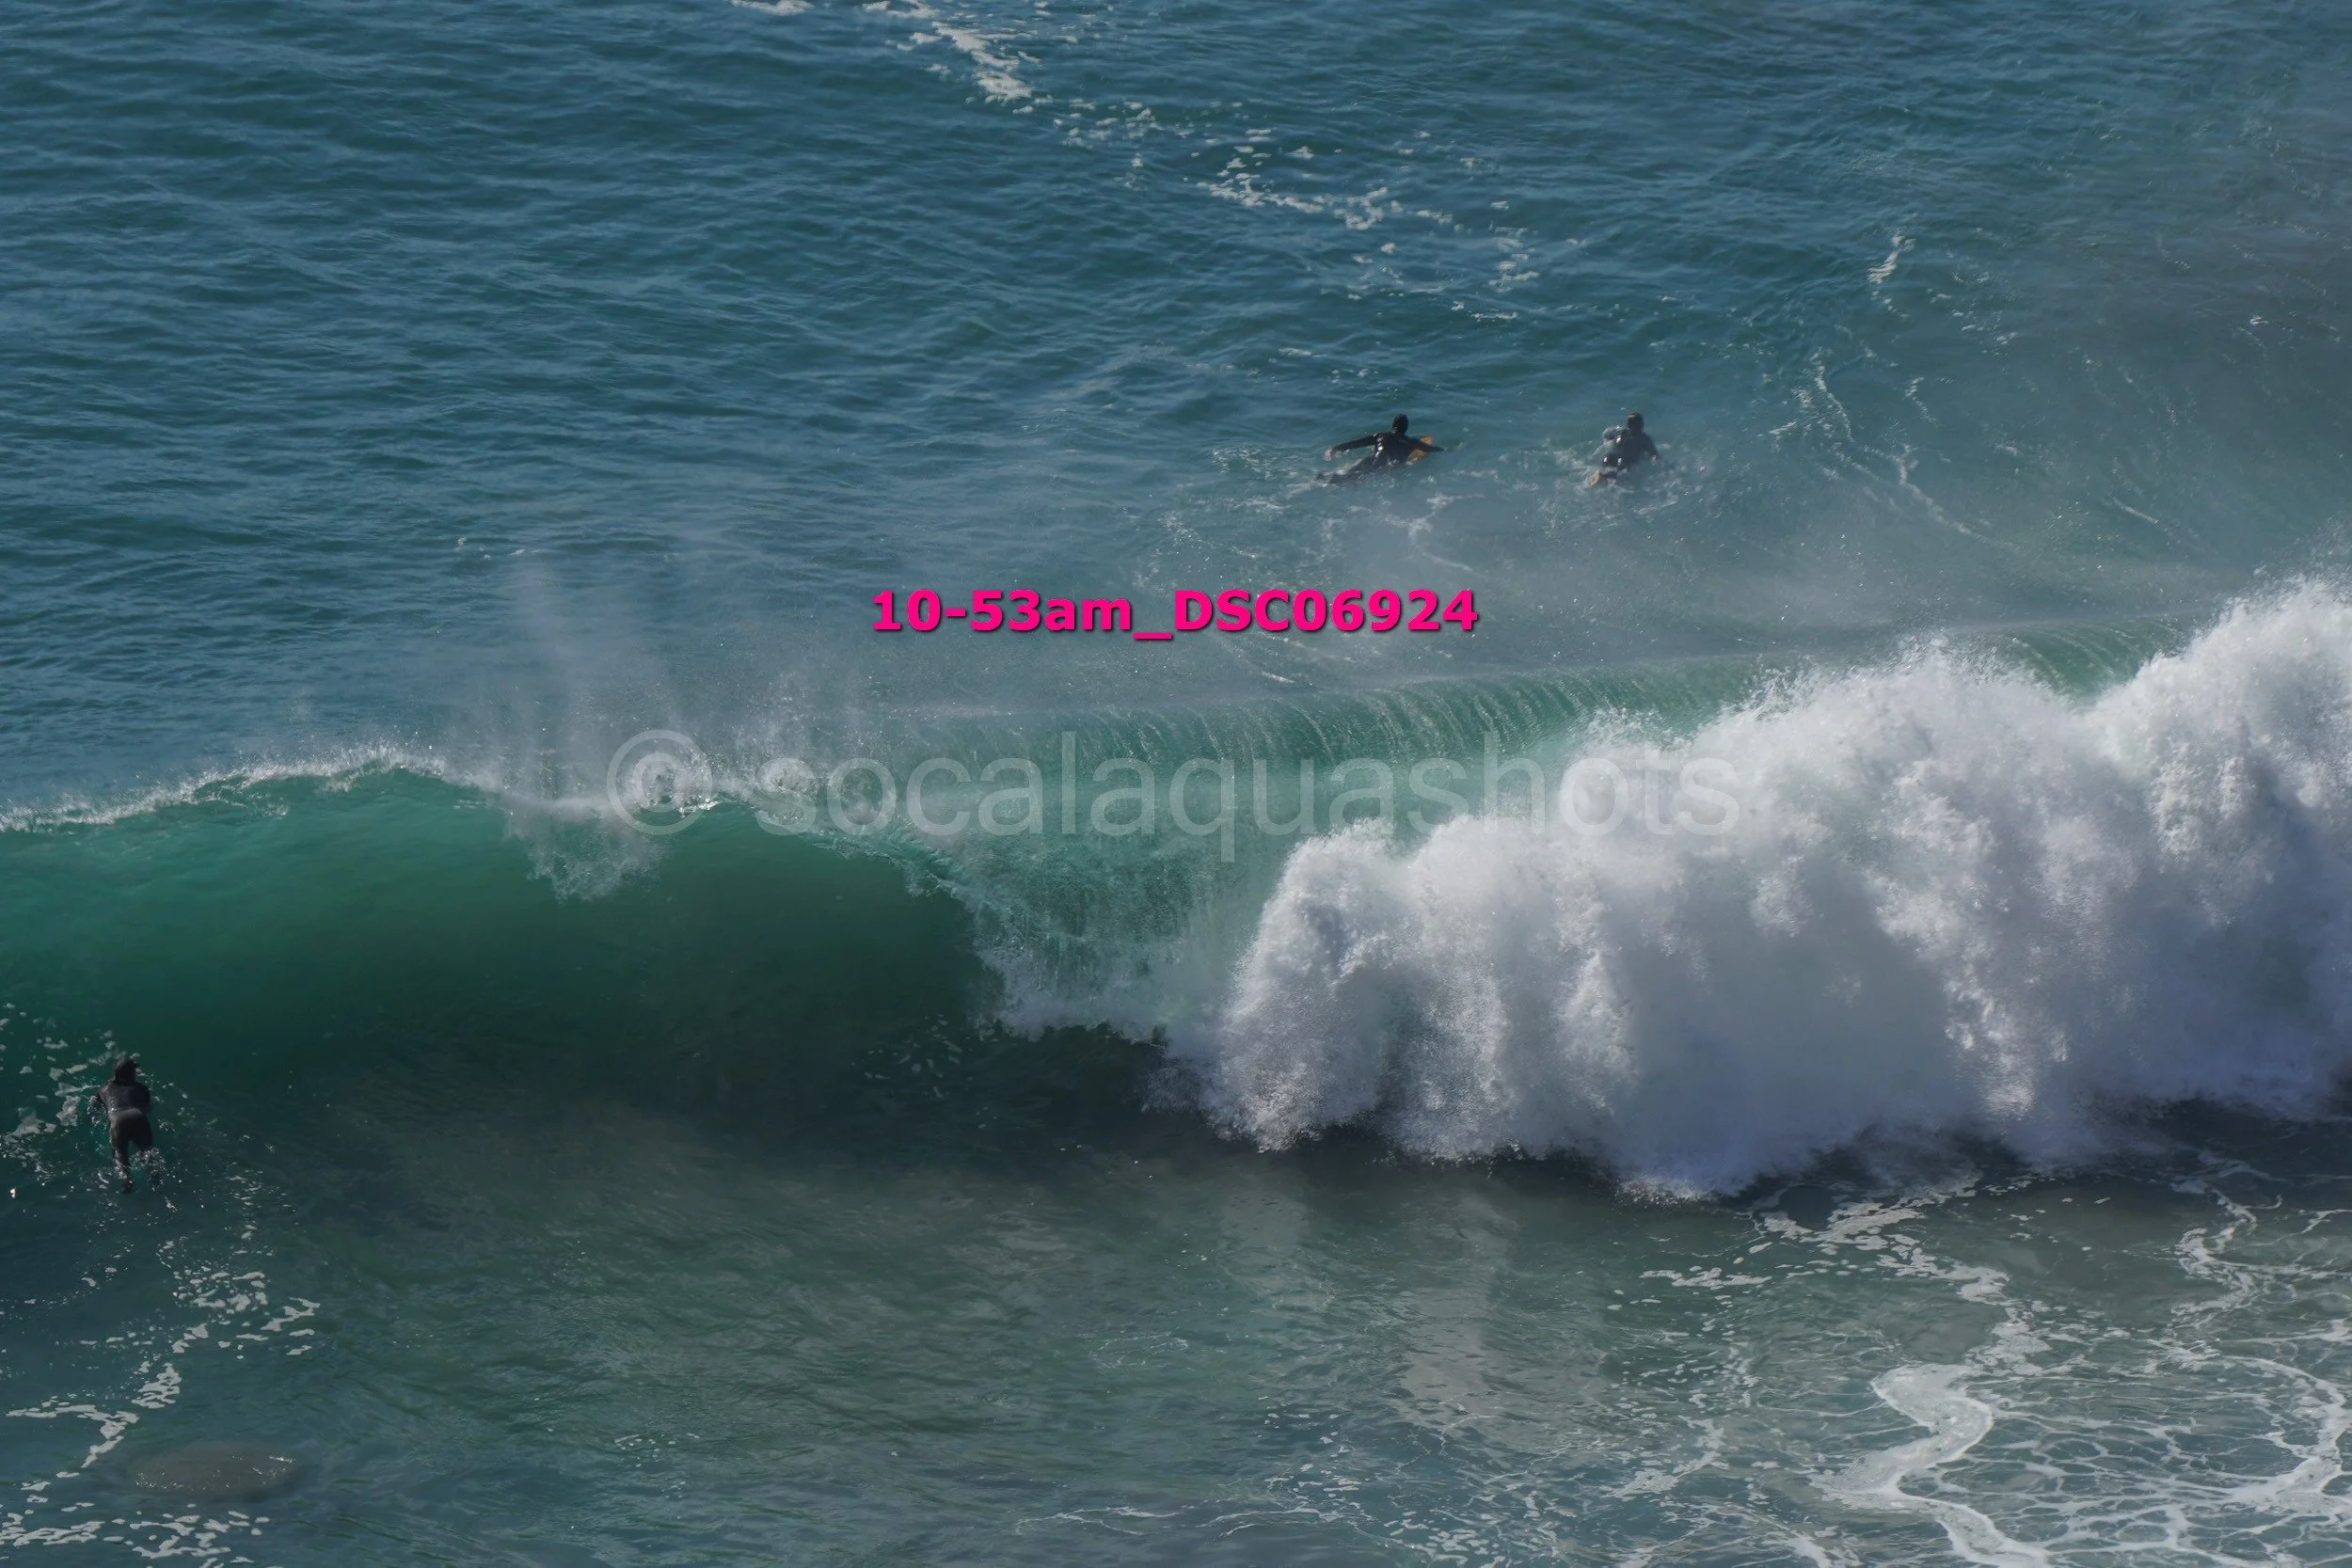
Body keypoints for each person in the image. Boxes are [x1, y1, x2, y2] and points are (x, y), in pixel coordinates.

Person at [89, 1057, 157, 1192]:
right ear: (131, 1074)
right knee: (147, 1151)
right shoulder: (141, 1088)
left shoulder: (104, 1089)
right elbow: (147, 1108)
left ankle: (127, 1182)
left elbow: (94, 1104)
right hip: (137, 1115)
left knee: (120, 1154)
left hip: (118, 1119)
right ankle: (155, 1180)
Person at [1322, 414, 1438, 483]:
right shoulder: (1412, 442)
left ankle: (1325, 476)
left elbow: (1357, 443)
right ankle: (1334, 479)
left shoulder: (1380, 436)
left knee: (1349, 472)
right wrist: (1444, 449)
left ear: (1393, 426)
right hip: (1384, 466)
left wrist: (1336, 448)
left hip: (1370, 460)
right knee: (1353, 479)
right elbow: (1430, 449)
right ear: (1406, 428)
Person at [1589, 411, 1661, 485]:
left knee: (1605, 470)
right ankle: (1603, 476)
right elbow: (1655, 455)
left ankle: (1598, 477)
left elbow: (1606, 435)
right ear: (1640, 425)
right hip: (1623, 461)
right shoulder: (1644, 439)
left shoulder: (1619, 431)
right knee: (1622, 474)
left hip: (1608, 458)